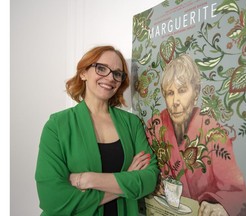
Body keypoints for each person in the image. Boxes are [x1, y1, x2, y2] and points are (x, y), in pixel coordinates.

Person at [35, 45, 159, 216]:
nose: (110, 78)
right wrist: (127, 178)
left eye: (117, 73)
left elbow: (149, 179)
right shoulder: (57, 125)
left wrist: (88, 179)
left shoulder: (132, 123)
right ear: (83, 73)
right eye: (101, 68)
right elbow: (53, 200)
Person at [146, 54, 246, 216]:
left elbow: (237, 192)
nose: (175, 101)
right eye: (169, 93)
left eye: (182, 91)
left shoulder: (213, 132)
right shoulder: (155, 125)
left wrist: (223, 206)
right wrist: (153, 179)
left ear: (196, 92)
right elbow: (144, 165)